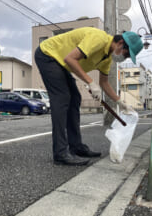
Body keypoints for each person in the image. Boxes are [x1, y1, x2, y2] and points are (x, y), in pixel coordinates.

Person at [34, 27, 143, 166]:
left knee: (75, 99)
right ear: (121, 43)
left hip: (61, 63)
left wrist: (120, 103)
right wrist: (90, 83)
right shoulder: (98, 38)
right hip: (47, 55)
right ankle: (60, 153)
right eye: (126, 54)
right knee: (62, 98)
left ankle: (76, 147)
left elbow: (104, 83)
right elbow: (70, 59)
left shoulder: (106, 59)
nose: (124, 58)